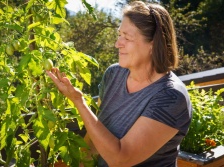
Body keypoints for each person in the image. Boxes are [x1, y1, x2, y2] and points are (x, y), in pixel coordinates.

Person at [46, 1, 192, 167]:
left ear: (153, 44)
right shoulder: (114, 74)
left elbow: (120, 159)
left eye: (127, 38)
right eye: (119, 35)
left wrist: (79, 101)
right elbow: (96, 136)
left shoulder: (171, 96)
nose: (118, 44)